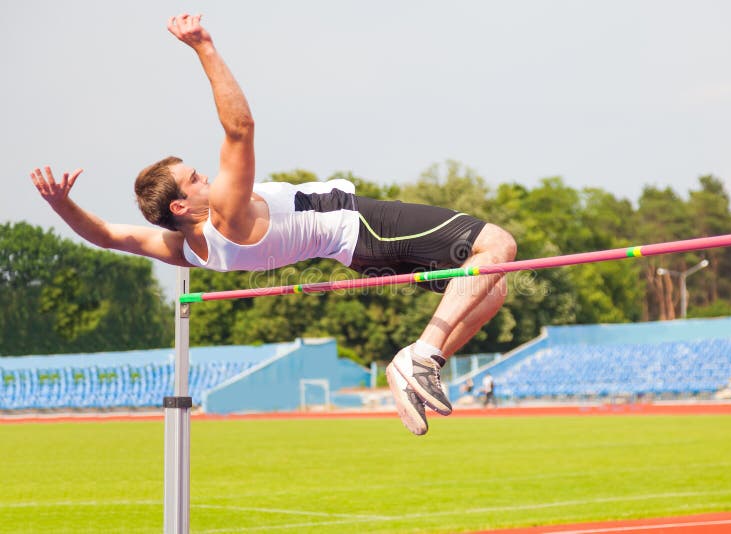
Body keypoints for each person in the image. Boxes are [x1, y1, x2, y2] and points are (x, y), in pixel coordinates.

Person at [30, 14, 516, 436]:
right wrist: (204, 47)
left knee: (490, 286)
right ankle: (422, 355)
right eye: (194, 179)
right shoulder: (227, 212)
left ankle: (419, 361)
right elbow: (240, 128)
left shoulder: (189, 249)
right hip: (362, 223)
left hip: (353, 252)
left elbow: (105, 236)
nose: (205, 177)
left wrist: (60, 205)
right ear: (181, 206)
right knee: (497, 244)